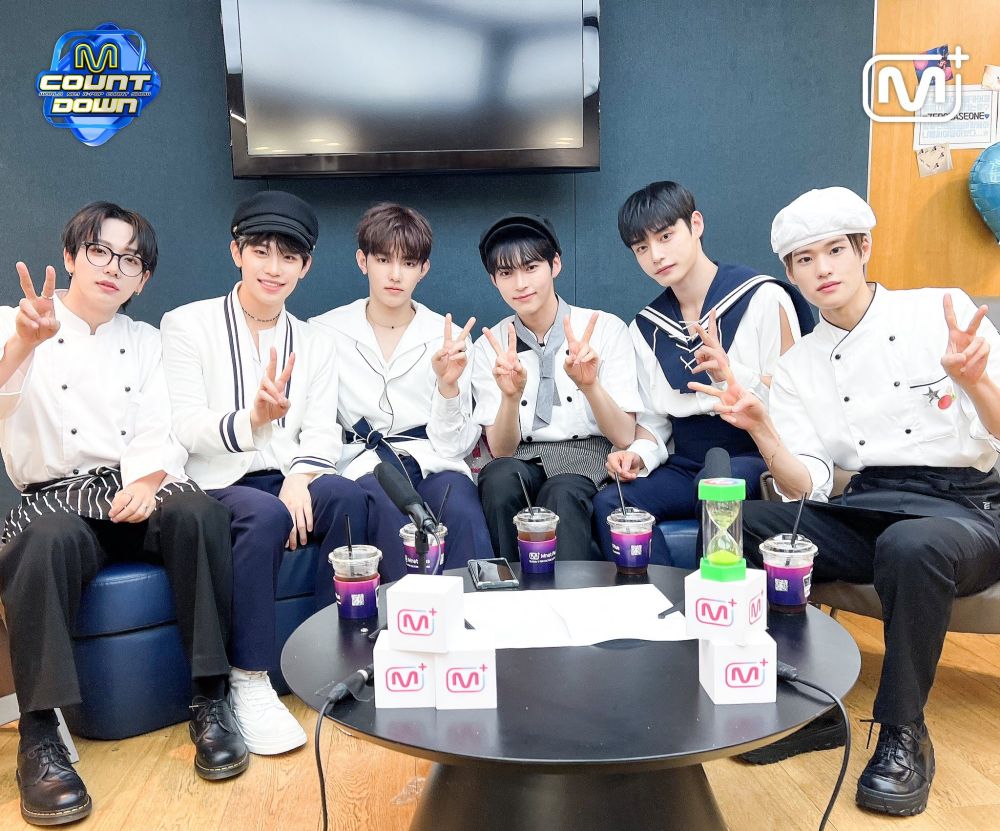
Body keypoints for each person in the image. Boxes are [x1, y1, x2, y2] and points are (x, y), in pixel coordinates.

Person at [691, 186, 1000, 816]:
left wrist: (975, 382)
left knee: (911, 543)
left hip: (966, 509)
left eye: (835, 250)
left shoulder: (940, 311)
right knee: (740, 522)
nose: (822, 269)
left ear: (863, 249)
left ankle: (903, 733)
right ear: (791, 273)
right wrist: (763, 430)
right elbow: (810, 482)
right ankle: (810, 700)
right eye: (804, 259)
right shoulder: (800, 364)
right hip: (866, 502)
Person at [0, 202, 246, 826]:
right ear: (71, 257)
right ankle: (40, 737)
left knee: (198, 513)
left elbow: (164, 425)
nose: (113, 268)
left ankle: (211, 700)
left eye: (131, 260)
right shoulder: (13, 321)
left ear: (143, 279)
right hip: (55, 494)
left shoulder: (146, 341)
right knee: (43, 540)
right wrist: (23, 344)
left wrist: (148, 478)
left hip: (132, 481)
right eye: (100, 252)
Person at [160, 191, 368, 757]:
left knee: (350, 499)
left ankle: (334, 658)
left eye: (289, 257)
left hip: (286, 477)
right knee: (264, 513)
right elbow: (183, 425)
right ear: (236, 253)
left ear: (305, 267)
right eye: (261, 251)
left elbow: (322, 431)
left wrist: (301, 476)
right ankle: (250, 679)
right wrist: (251, 420)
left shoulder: (315, 341)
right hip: (216, 483)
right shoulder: (187, 325)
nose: (274, 268)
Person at [593, 181, 815, 563]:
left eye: (665, 236)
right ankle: (660, 593)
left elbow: (793, 397)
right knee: (613, 503)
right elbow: (654, 421)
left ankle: (714, 594)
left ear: (695, 224)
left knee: (715, 485)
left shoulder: (763, 298)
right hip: (686, 459)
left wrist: (731, 375)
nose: (656, 255)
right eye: (641, 248)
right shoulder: (646, 328)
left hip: (755, 451)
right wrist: (638, 456)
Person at [310, 203, 491, 579]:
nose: (395, 275)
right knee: (389, 513)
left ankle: (474, 610)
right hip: (365, 464)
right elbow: (315, 422)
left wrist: (448, 386)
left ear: (423, 269)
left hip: (431, 459)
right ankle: (402, 614)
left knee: (463, 510)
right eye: (383, 260)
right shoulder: (324, 332)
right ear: (362, 261)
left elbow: (453, 447)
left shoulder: (449, 339)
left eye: (408, 263)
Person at [472, 213, 641, 561]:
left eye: (531, 267)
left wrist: (590, 386)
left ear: (556, 264)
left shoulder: (605, 329)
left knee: (561, 493)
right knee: (499, 478)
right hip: (521, 456)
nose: (520, 283)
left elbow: (625, 436)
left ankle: (569, 592)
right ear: (493, 280)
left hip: (587, 456)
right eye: (506, 273)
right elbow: (501, 450)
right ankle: (508, 583)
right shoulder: (490, 346)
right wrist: (510, 397)